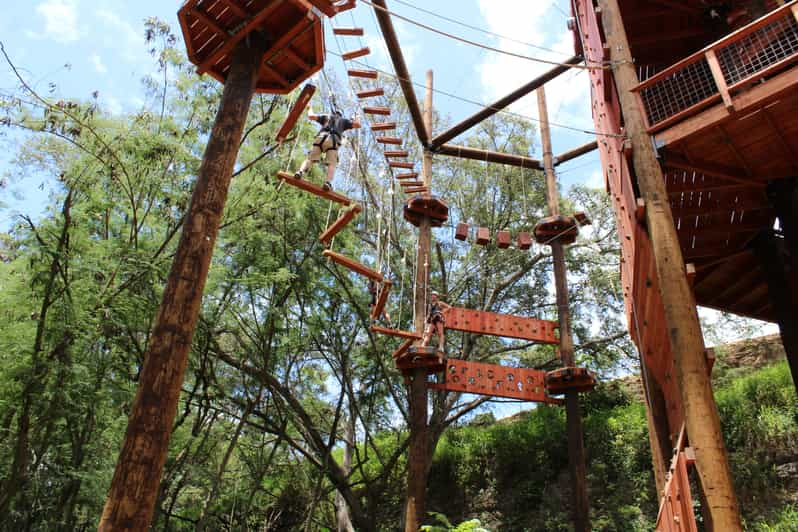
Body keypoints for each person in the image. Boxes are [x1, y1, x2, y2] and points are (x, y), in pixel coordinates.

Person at [294, 107, 361, 191]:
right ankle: (328, 182)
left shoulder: (326, 117)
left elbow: (311, 116)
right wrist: (357, 116)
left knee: (310, 159)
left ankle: (300, 171)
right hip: (333, 141)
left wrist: (309, 108)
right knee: (332, 164)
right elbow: (357, 124)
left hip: (321, 138)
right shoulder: (344, 121)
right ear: (340, 115)